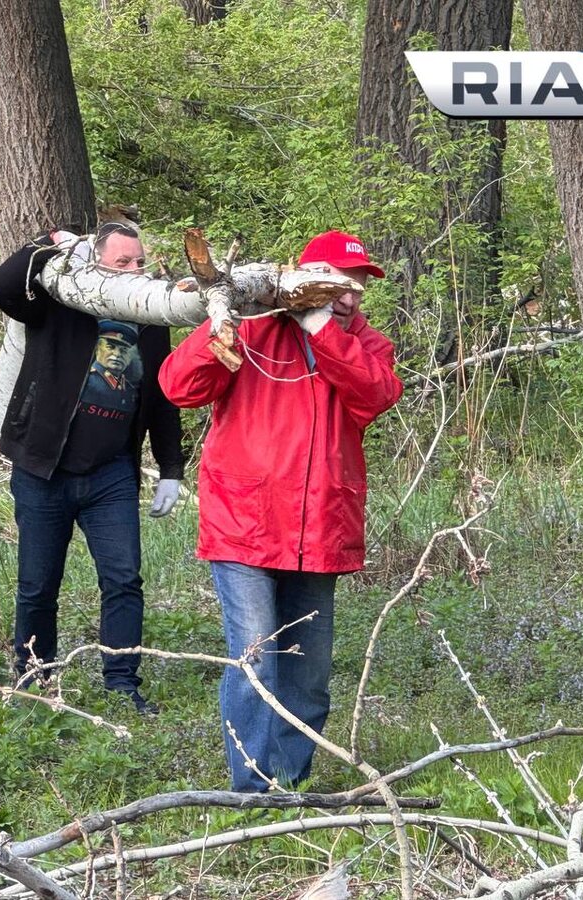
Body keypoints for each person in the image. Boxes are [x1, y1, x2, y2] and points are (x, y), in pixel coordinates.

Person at [158, 229, 403, 790]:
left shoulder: (367, 345)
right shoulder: (252, 330)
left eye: (358, 288)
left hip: (320, 530)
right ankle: (250, 794)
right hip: (244, 525)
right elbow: (177, 386)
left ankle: (288, 784)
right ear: (304, 281)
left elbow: (375, 394)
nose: (350, 298)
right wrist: (224, 320)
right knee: (256, 664)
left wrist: (321, 329)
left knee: (308, 674)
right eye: (338, 285)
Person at [0, 222, 183, 714]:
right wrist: (49, 246)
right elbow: (2, 286)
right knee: (37, 583)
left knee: (123, 580)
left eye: (140, 262)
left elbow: (161, 395)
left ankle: (121, 682)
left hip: (111, 473)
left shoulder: (151, 318)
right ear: (96, 261)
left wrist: (171, 467)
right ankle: (34, 674)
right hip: (43, 468)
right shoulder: (59, 301)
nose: (135, 271)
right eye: (122, 262)